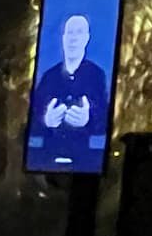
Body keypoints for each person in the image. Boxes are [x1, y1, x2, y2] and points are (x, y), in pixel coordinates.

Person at [33, 13, 108, 167]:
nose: (73, 38)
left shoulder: (98, 76)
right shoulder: (48, 77)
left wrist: (88, 119)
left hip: (86, 161)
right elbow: (31, 118)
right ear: (63, 38)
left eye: (79, 32)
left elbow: (106, 119)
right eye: (70, 32)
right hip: (47, 159)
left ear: (86, 38)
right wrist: (46, 120)